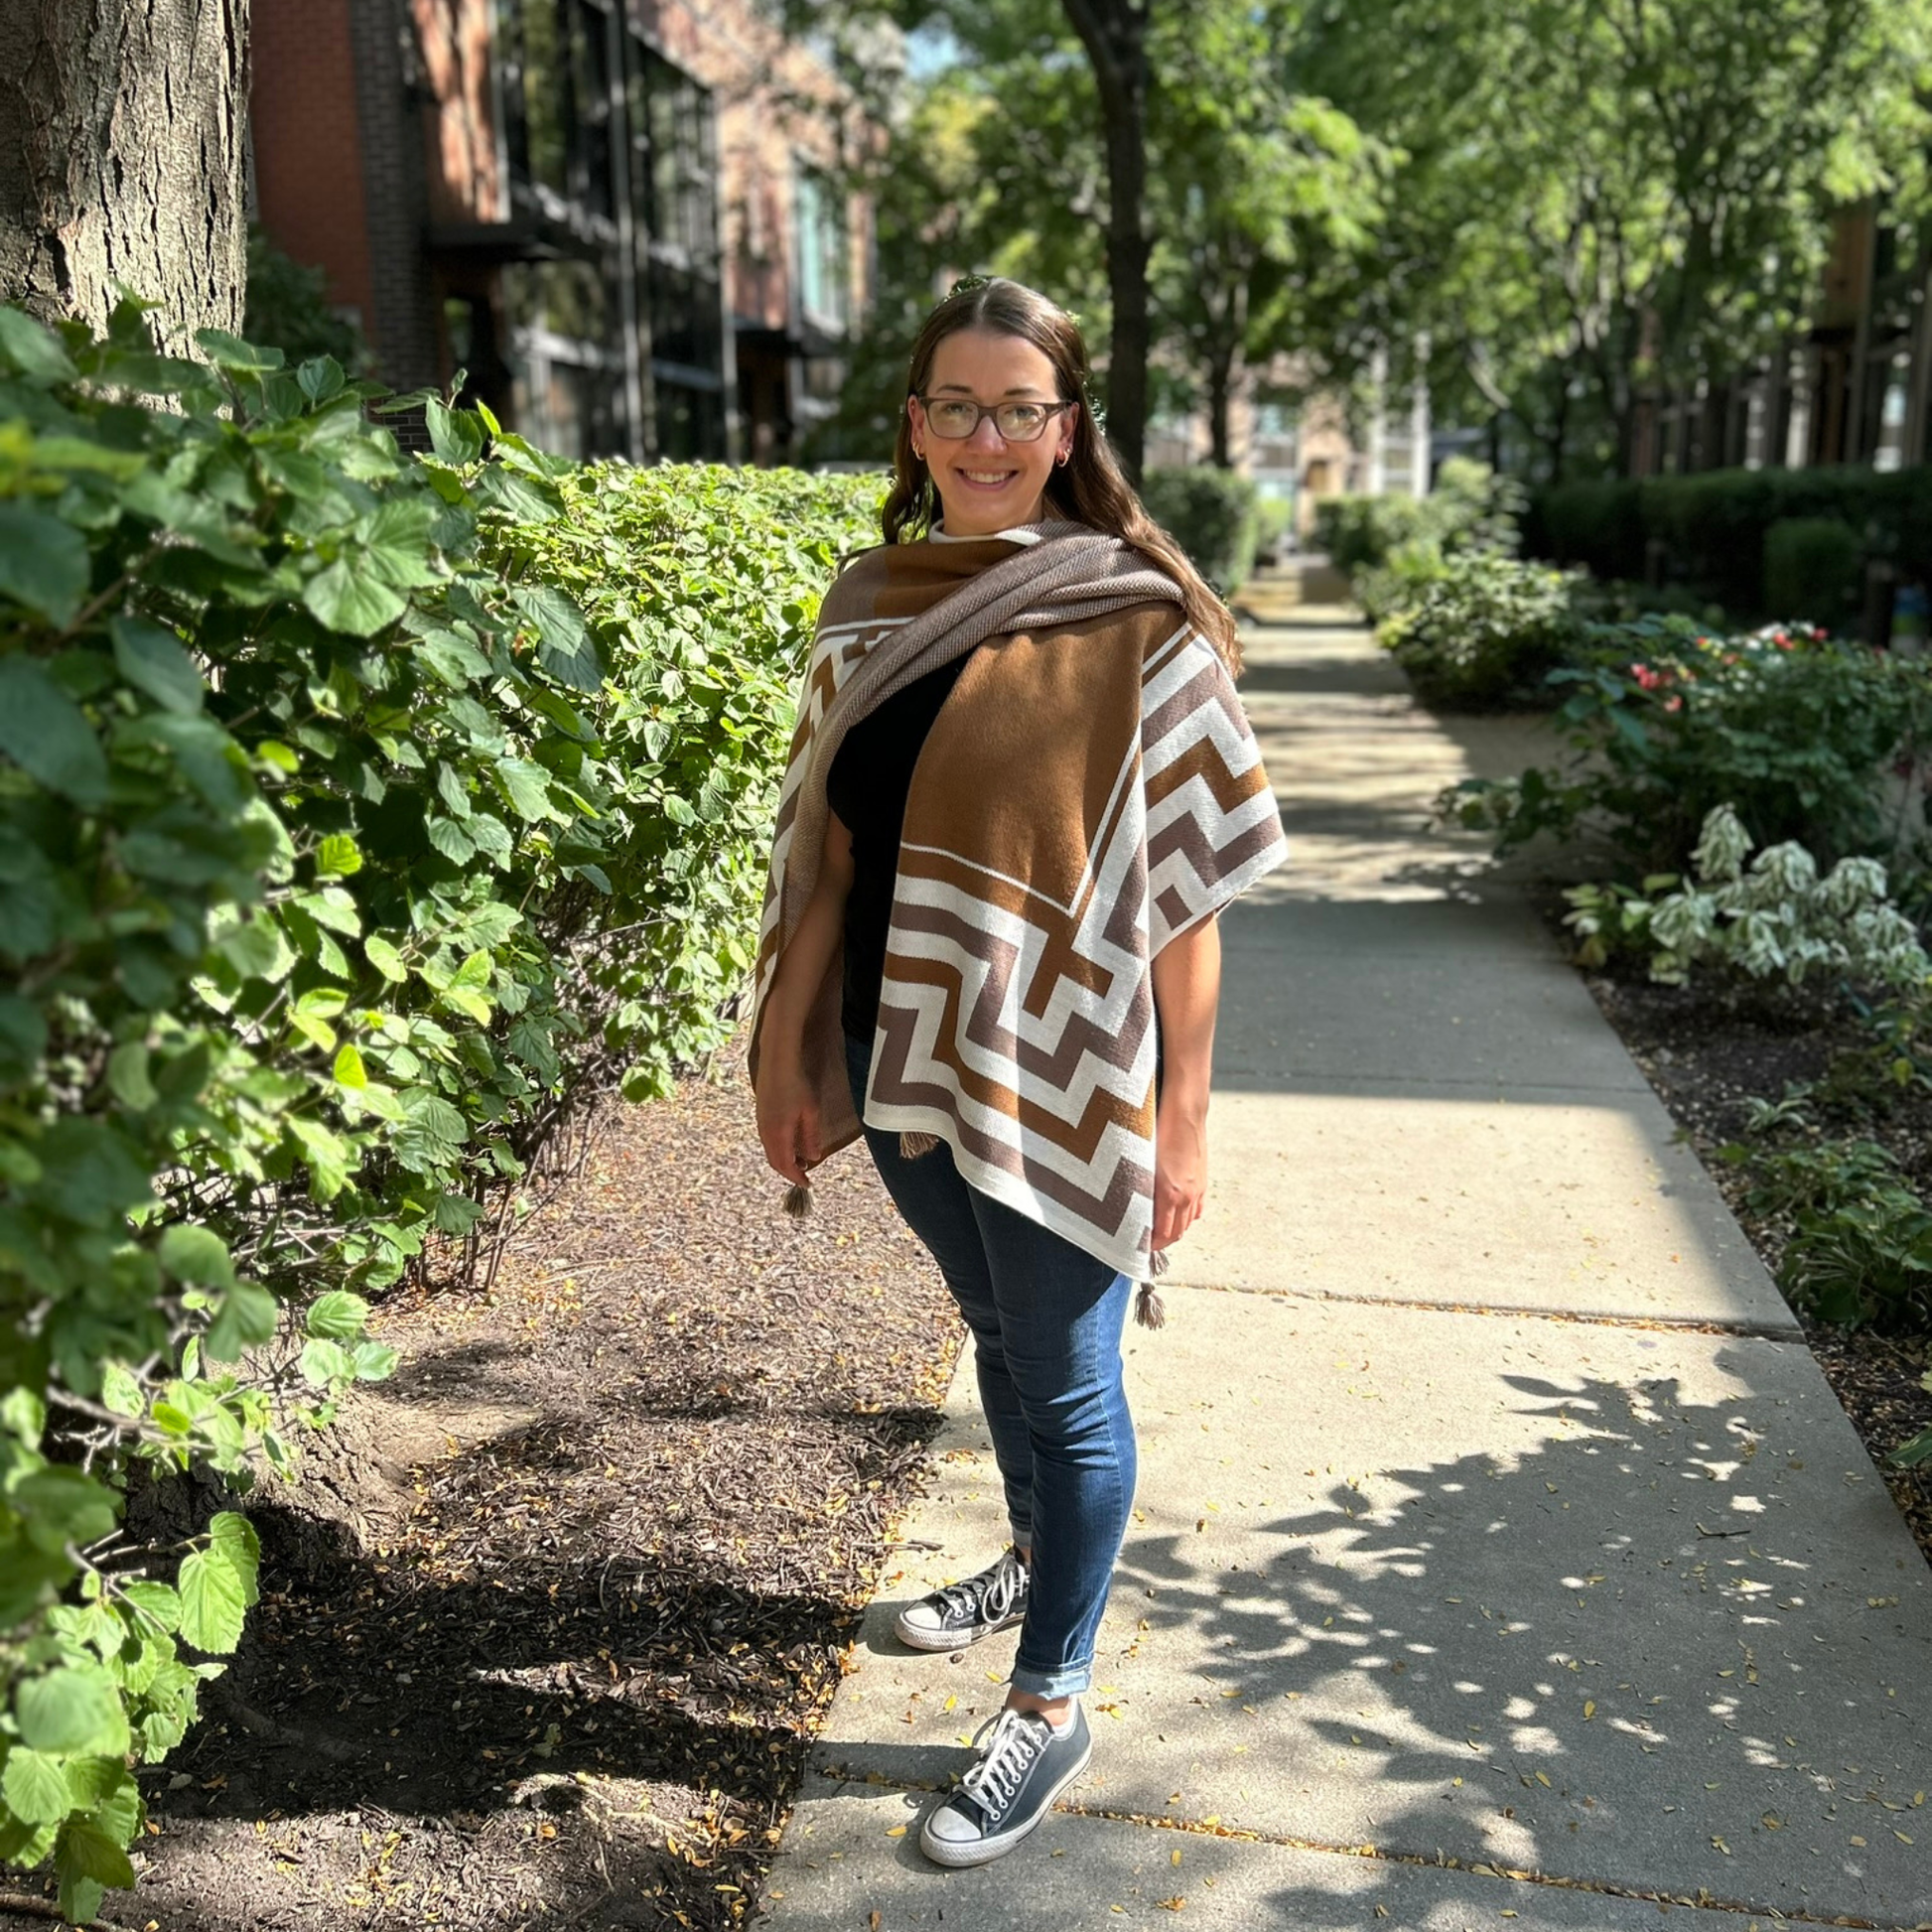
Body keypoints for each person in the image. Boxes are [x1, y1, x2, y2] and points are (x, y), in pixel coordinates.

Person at [748, 276, 1286, 1867]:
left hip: (1061, 1060)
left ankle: (1048, 1700)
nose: (989, 436)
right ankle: (1038, 1549)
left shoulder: (1134, 612)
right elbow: (828, 847)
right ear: (914, 428)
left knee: (1066, 1373)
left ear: (1068, 429)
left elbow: (1182, 895)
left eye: (1020, 408)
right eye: (957, 406)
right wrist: (791, 1051)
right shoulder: (870, 593)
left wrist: (1181, 1111)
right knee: (991, 1327)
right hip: (891, 1042)